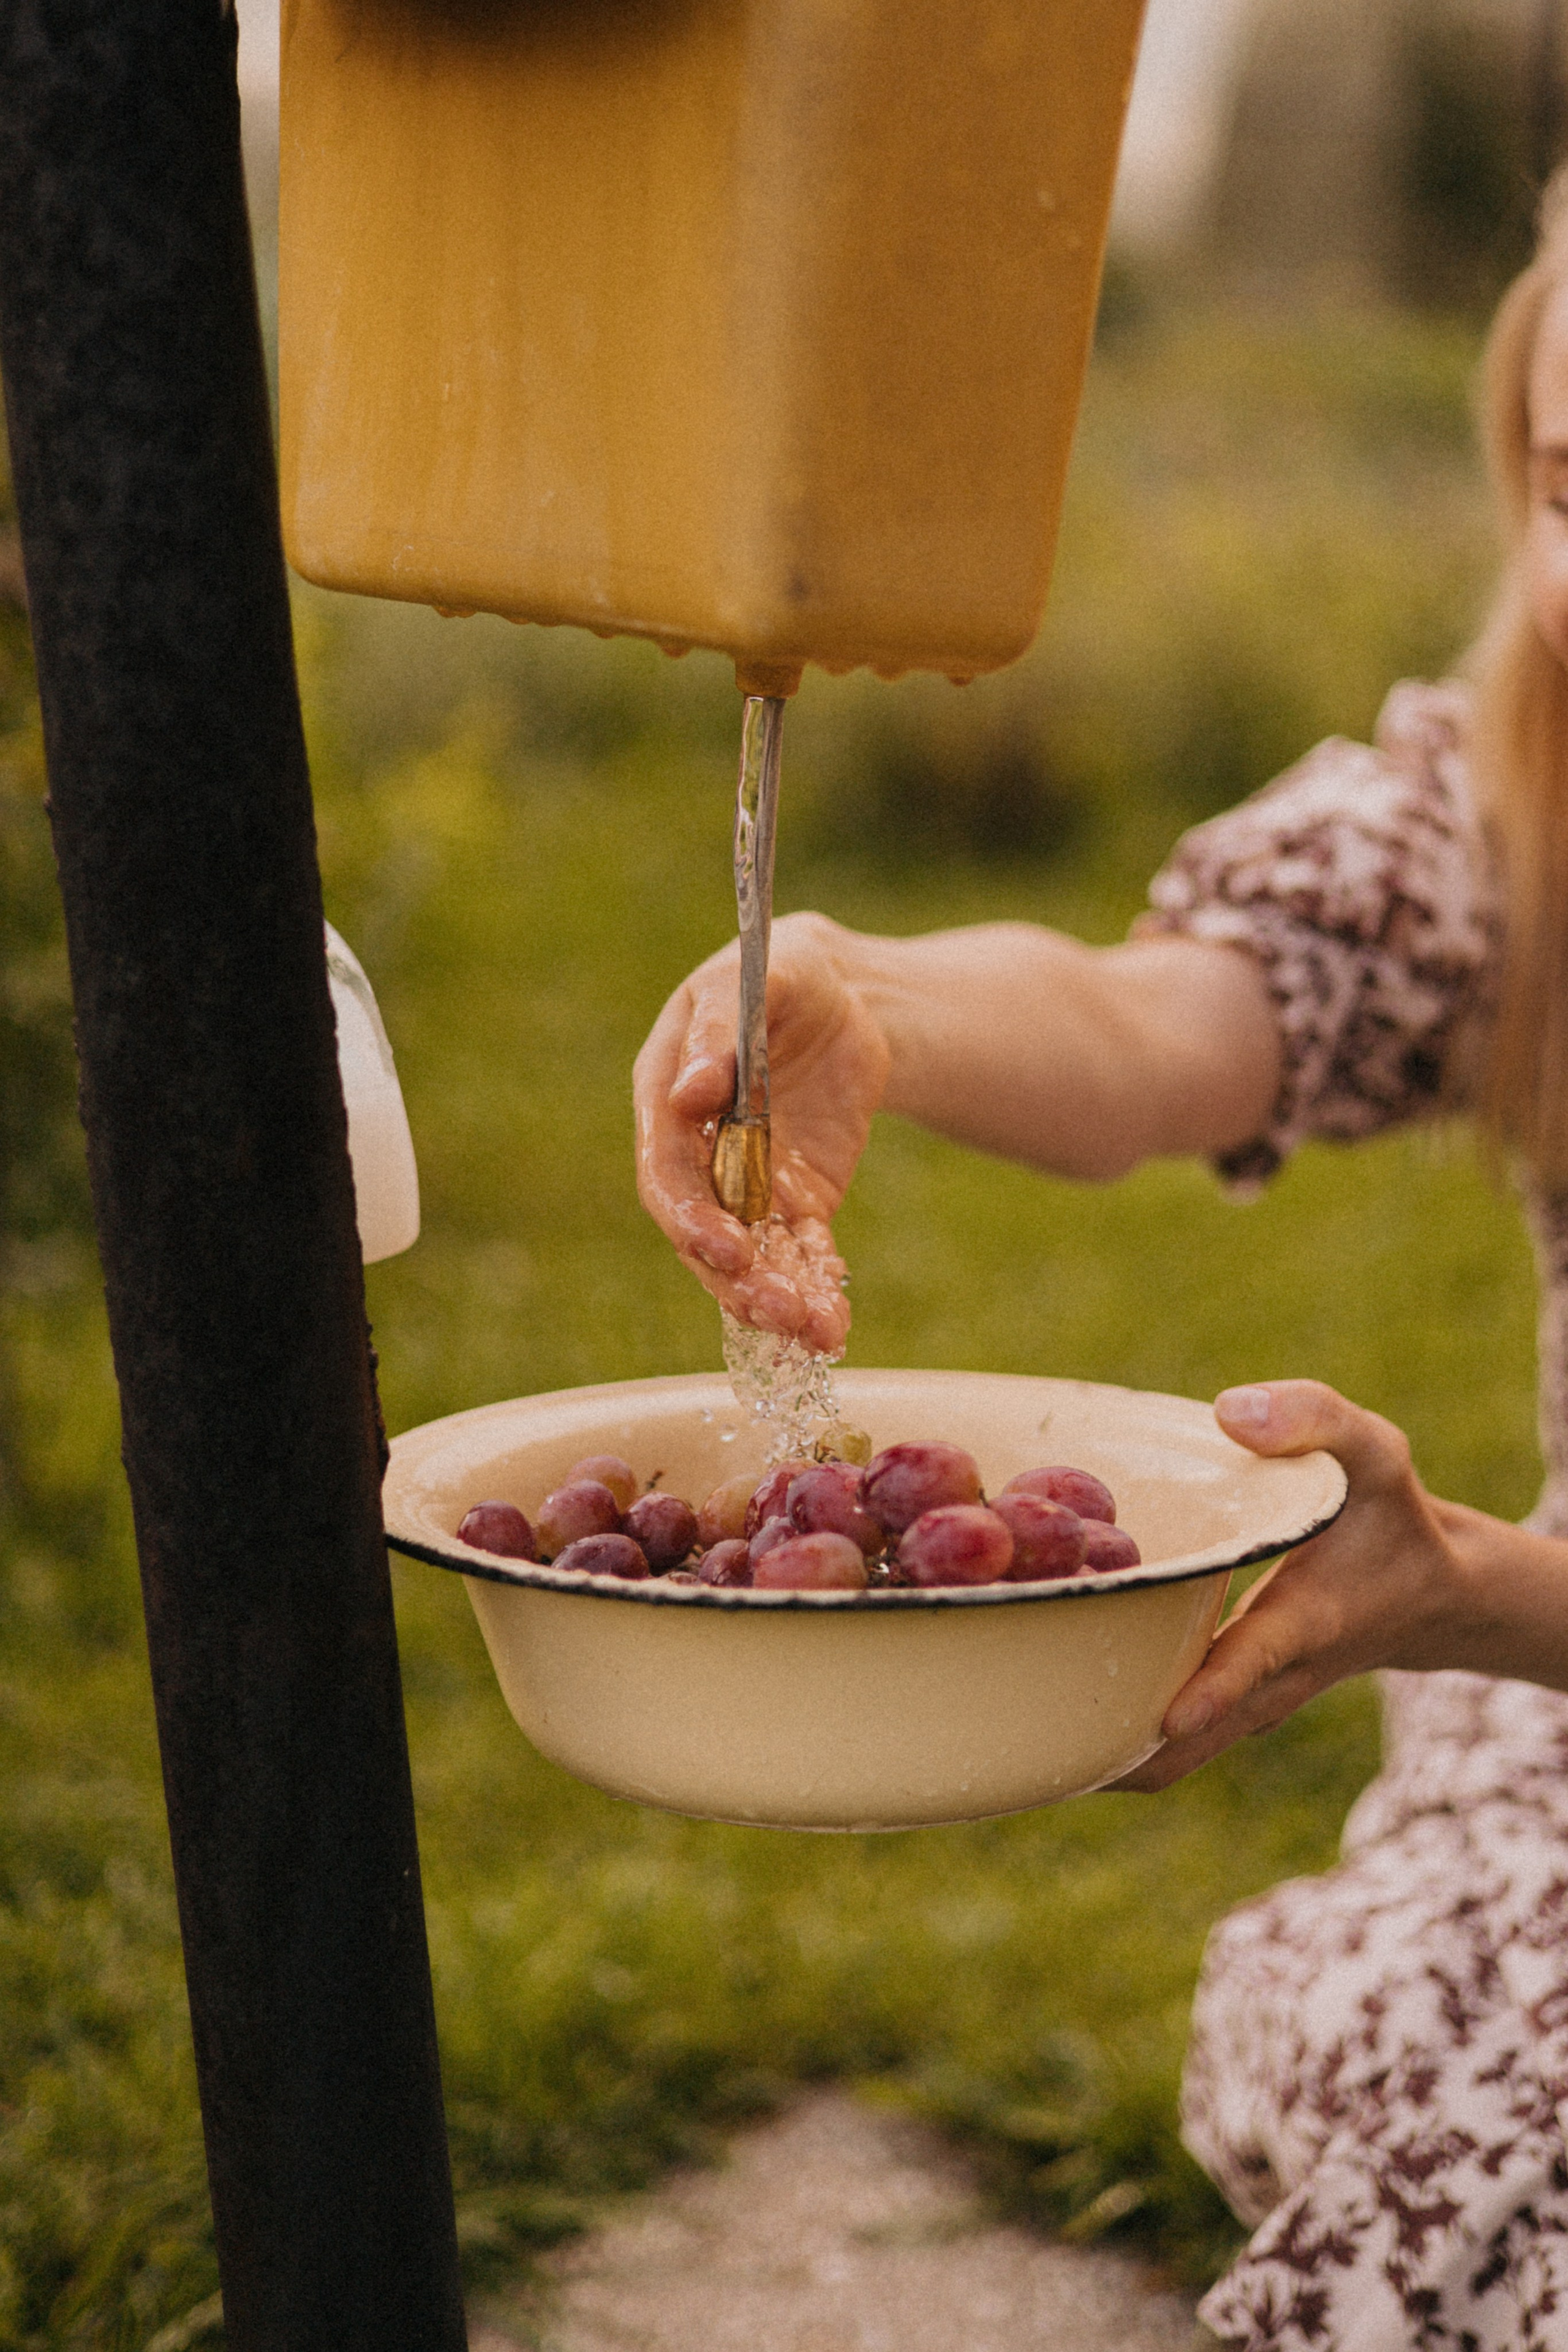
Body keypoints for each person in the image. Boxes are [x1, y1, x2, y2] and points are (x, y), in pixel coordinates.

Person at [634, 176, 1568, 2352]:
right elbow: (1156, 1024)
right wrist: (868, 998)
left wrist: (1477, 1588)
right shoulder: (1521, 818)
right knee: (1440, 2094)